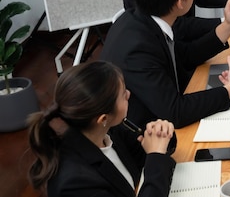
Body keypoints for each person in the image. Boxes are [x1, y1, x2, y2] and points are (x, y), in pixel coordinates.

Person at [101, 0, 230, 129]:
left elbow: (185, 56)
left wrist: (229, 24)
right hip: (146, 136)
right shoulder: (137, 48)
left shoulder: (140, 18)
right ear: (180, 2)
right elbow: (176, 112)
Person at [27, 61, 176, 197]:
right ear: (103, 118)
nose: (129, 94)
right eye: (123, 94)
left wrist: (161, 135)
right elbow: (154, 160)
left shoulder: (107, 130)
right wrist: (156, 155)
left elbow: (144, 155)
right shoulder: (75, 184)